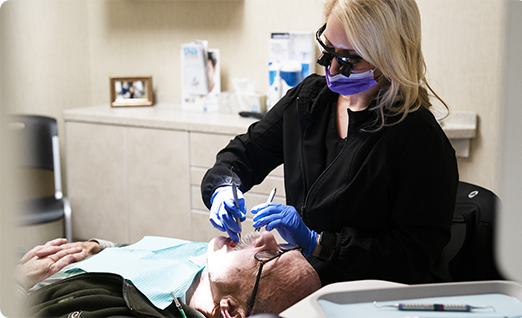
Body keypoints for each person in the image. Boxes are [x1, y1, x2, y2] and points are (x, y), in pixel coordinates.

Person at [201, 0, 459, 286]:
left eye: (350, 59)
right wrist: (224, 186)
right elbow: (245, 153)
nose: (333, 68)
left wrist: (321, 243)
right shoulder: (308, 100)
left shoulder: (417, 139)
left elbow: (413, 257)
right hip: (306, 282)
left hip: (368, 296)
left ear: (390, 57)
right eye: (328, 52)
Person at [17, 232, 321, 318]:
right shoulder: (208, 260)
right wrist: (97, 248)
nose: (267, 236)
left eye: (266, 258)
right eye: (284, 247)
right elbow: (135, 252)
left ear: (228, 310)